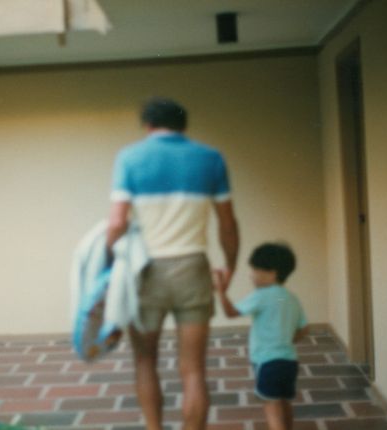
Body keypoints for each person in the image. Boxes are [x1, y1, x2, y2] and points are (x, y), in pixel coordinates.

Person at [106, 97, 239, 430]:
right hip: (193, 268)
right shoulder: (210, 158)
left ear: (147, 125)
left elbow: (117, 223)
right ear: (184, 125)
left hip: (145, 273)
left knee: (145, 360)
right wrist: (230, 265)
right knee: (194, 369)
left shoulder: (129, 157)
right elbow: (227, 224)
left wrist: (106, 266)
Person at [215, 243, 308, 430]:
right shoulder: (291, 298)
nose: (251, 275)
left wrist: (221, 291)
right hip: (289, 362)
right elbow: (304, 329)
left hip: (268, 363)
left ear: (272, 273)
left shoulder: (261, 295)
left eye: (255, 270)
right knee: (284, 402)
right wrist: (285, 340)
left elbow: (231, 312)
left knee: (271, 407)